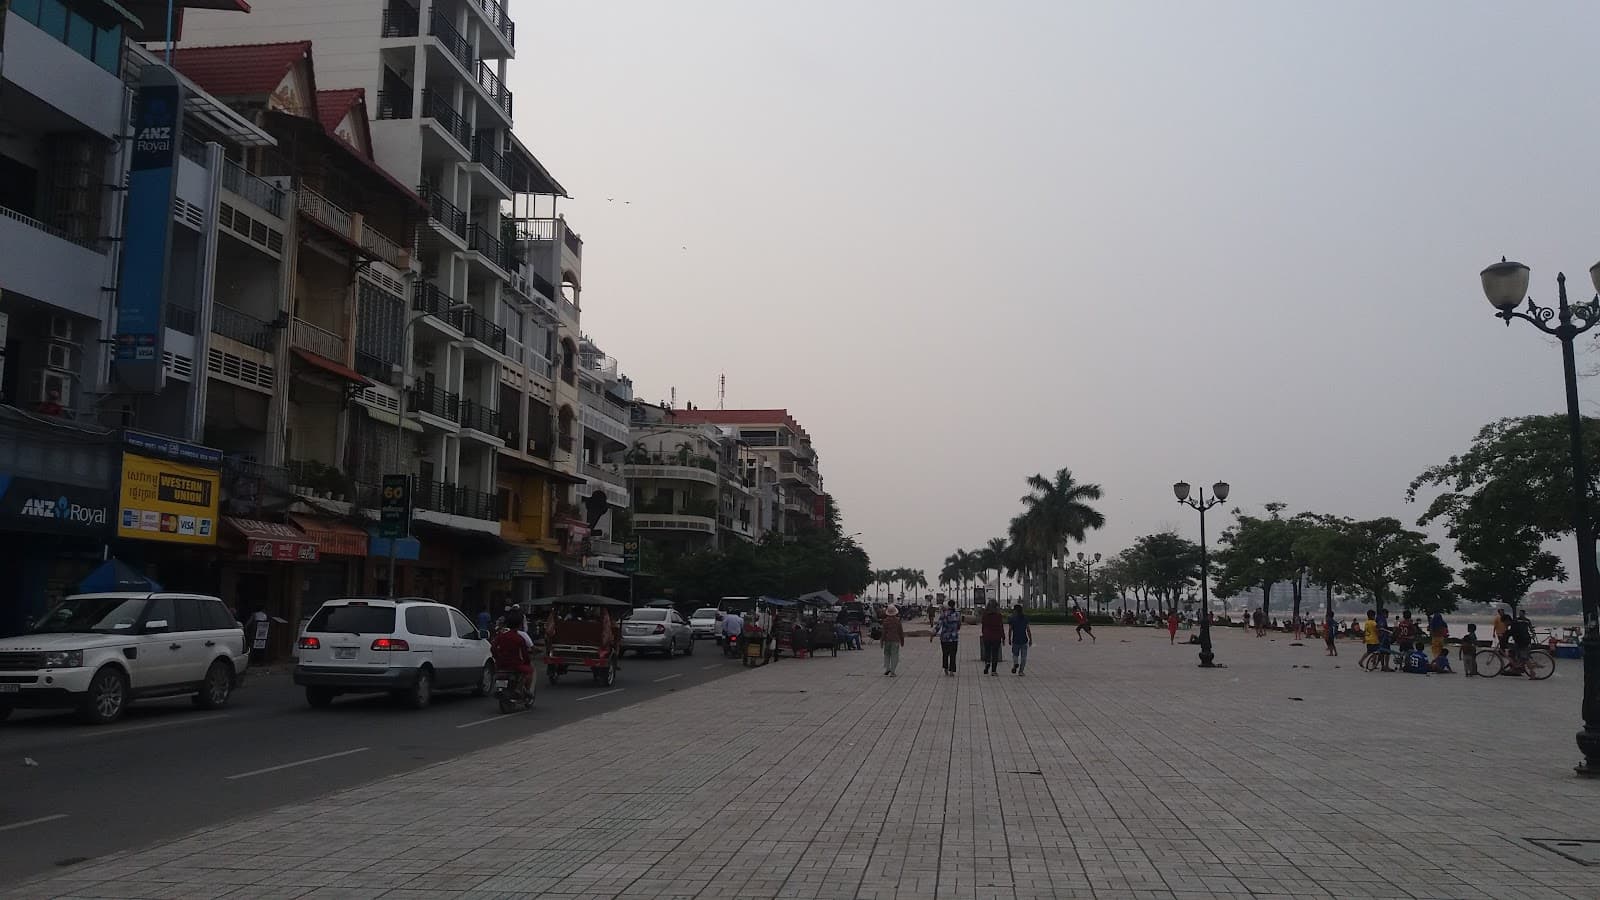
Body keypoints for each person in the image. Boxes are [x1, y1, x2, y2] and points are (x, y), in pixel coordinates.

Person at [489, 610, 534, 698]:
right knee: (530, 671)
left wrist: (497, 657)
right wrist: (527, 662)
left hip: (501, 664)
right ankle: (523, 690)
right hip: (515, 665)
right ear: (520, 625)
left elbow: (493, 648)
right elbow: (525, 654)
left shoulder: (501, 635)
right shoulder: (519, 638)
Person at [933, 600, 961, 675]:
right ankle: (951, 671)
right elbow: (959, 625)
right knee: (953, 654)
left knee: (945, 654)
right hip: (954, 638)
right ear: (954, 605)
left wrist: (934, 633)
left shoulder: (944, 614)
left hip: (945, 638)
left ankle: (945, 668)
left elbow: (939, 625)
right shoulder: (957, 614)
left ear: (948, 605)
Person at [979, 601, 1005, 676]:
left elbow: (983, 626)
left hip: (987, 636)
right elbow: (1001, 627)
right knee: (995, 654)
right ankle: (993, 671)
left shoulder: (985, 615)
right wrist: (1003, 637)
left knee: (987, 652)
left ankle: (987, 663)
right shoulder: (998, 616)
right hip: (996, 636)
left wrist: (984, 634)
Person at [1008, 604, 1032, 675]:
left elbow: (1010, 630)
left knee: (1015, 654)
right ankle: (1021, 671)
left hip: (1015, 640)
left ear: (1015, 611)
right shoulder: (1025, 618)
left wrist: (1009, 639)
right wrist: (1030, 639)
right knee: (1023, 657)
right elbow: (1028, 630)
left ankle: (1015, 663)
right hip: (1024, 639)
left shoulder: (1012, 619)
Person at [881, 605, 905, 676]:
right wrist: (902, 640)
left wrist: (882, 640)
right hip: (895, 640)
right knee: (894, 655)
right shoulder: (897, 621)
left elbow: (884, 632)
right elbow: (900, 631)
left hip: (887, 640)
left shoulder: (885, 621)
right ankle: (893, 671)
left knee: (887, 655)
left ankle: (887, 668)